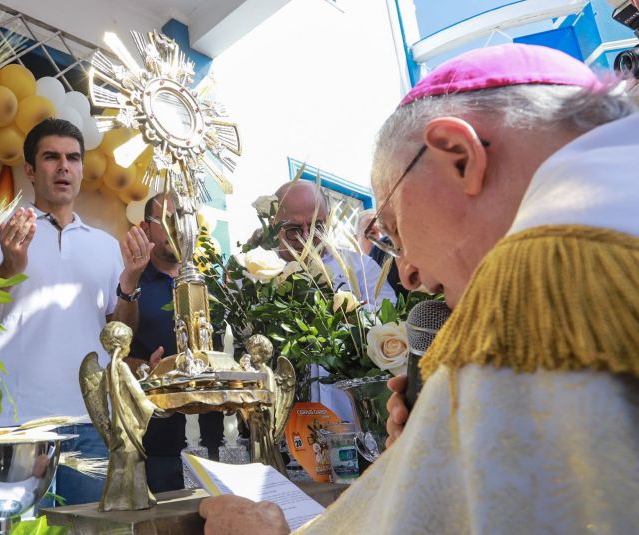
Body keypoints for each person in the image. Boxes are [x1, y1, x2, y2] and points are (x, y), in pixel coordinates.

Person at [200, 43, 639, 533]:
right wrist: (436, 439)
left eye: (395, 228)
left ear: (460, 157)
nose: (407, 273)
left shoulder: (537, 277)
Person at [0, 118, 148, 505]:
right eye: (51, 157)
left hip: (90, 426)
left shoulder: (106, 245)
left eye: (73, 158)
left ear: (81, 169)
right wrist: (8, 270)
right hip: (9, 427)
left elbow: (119, 338)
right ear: (30, 170)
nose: (64, 166)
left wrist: (129, 284)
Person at [123, 193, 223, 492]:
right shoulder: (132, 284)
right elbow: (117, 354)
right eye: (168, 219)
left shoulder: (215, 282)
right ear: (145, 227)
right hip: (160, 445)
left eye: (184, 218)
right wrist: (150, 371)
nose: (178, 227)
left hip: (221, 441)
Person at [273, 180, 396, 422]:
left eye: (317, 226)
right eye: (294, 230)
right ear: (273, 225)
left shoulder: (361, 267)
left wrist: (349, 314)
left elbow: (389, 322)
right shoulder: (258, 274)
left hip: (348, 416)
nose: (308, 237)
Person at [356, 209, 406, 300]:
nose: (380, 238)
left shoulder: (400, 262)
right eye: (372, 233)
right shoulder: (353, 276)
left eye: (385, 233)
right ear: (356, 238)